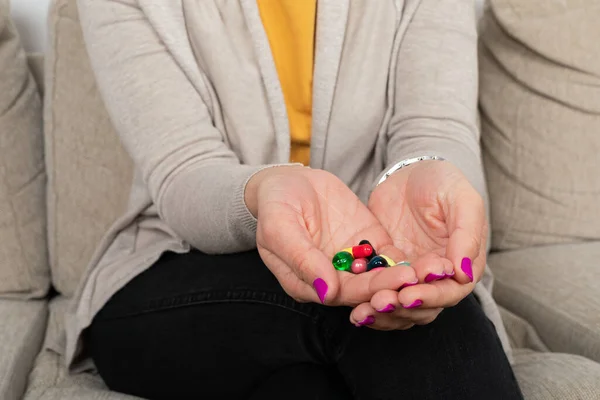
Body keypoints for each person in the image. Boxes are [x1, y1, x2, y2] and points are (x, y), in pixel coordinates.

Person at [67, 0, 524, 399]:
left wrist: (421, 170)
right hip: (176, 271)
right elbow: (184, 169)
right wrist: (267, 193)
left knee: (327, 369)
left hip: (379, 251)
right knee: (407, 323)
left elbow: (436, 128)